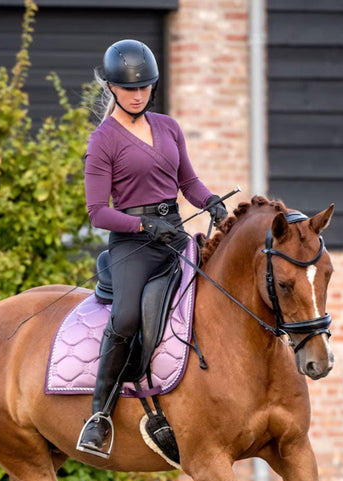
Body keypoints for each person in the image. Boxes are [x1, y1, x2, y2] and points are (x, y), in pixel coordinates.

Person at [76, 39, 228, 458]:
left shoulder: (169, 128)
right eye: (129, 89)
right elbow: (97, 213)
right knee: (125, 319)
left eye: (145, 86)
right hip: (133, 245)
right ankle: (100, 415)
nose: (138, 94)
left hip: (175, 237)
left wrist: (210, 201)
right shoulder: (103, 140)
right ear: (112, 88)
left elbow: (189, 184)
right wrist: (144, 223)